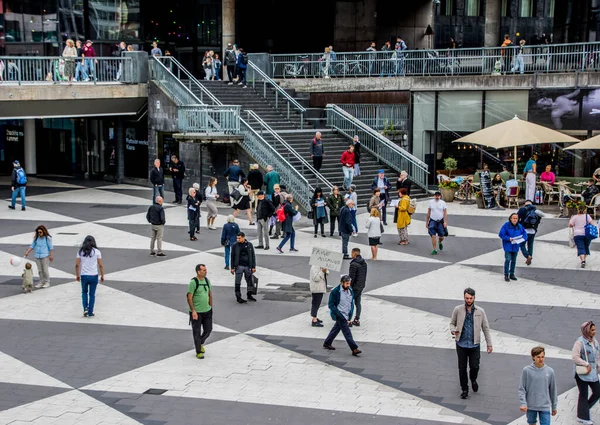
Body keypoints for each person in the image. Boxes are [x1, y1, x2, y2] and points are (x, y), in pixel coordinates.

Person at [450, 287, 493, 400]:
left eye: (470, 298)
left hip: (475, 344)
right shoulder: (458, 309)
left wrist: (489, 344)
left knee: (474, 366)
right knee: (462, 368)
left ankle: (473, 379)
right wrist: (453, 329)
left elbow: (486, 328)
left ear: (474, 298)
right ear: (464, 298)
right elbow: (452, 323)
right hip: (461, 344)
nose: (468, 300)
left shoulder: (480, 311)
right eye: (466, 298)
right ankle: (464, 389)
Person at [323, 275, 362, 356]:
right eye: (347, 283)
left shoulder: (350, 290)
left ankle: (327, 342)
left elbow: (350, 303)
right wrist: (337, 313)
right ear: (342, 283)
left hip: (347, 314)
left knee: (336, 329)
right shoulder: (335, 291)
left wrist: (350, 315)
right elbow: (331, 304)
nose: (348, 285)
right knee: (347, 332)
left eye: (349, 283)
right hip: (340, 315)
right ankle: (354, 348)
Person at [518, 346, 558, 425]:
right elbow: (522, 388)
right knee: (531, 423)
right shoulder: (526, 370)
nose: (541, 359)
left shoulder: (550, 371)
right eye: (538, 357)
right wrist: (523, 403)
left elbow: (553, 390)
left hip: (545, 406)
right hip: (531, 406)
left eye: (542, 357)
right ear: (533, 357)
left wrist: (554, 406)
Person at [572, 321, 600, 425]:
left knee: (597, 392)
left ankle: (583, 410)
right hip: (582, 373)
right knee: (583, 394)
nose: (594, 332)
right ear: (586, 330)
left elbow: (597, 356)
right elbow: (575, 357)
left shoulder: (594, 341)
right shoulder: (580, 342)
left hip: (593, 372)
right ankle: (583, 417)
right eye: (592, 330)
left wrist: (598, 368)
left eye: (594, 330)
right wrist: (586, 364)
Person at [186, 264, 213, 359]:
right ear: (198, 271)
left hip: (207, 310)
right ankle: (198, 351)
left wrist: (210, 305)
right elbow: (189, 297)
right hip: (196, 312)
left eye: (206, 270)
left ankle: (200, 343)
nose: (206, 271)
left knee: (208, 330)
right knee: (196, 332)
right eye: (204, 270)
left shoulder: (207, 281)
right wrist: (193, 310)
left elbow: (210, 293)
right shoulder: (193, 282)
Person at [75, 235, 105, 317]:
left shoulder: (80, 252)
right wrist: (102, 275)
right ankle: (90, 311)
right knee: (92, 294)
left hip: (84, 275)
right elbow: (100, 265)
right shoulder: (97, 251)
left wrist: (77, 275)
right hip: (93, 275)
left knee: (84, 292)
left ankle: (85, 308)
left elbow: (77, 265)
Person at [499, 213, 528, 281]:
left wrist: (522, 239)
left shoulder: (520, 226)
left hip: (515, 245)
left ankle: (512, 274)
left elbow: (524, 234)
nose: (515, 220)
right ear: (510, 219)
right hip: (508, 245)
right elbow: (501, 234)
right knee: (508, 259)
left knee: (514, 260)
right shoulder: (506, 225)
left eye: (516, 218)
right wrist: (508, 238)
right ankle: (506, 274)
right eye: (514, 218)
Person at [230, 232, 257, 303]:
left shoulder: (249, 245)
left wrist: (253, 266)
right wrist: (232, 267)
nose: (238, 239)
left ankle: (249, 294)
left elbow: (253, 256)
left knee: (250, 281)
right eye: (237, 238)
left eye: (239, 238)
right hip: (239, 266)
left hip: (248, 266)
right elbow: (232, 256)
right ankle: (238, 296)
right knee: (237, 282)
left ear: (243, 237)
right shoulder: (235, 246)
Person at [518, 200, 545, 266]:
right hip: (533, 231)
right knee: (530, 244)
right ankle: (530, 256)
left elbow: (517, 218)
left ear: (525, 204)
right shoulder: (536, 211)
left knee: (522, 245)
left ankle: (527, 256)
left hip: (524, 230)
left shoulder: (522, 210)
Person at [349, 247, 367, 327]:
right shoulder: (364, 263)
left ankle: (348, 319)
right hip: (361, 285)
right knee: (358, 303)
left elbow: (351, 277)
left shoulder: (353, 264)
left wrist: (348, 286)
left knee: (349, 302)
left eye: (352, 253)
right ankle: (357, 319)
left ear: (355, 254)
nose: (351, 254)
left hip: (354, 286)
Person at [426, 191, 448, 255]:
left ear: (440, 196)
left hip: (440, 221)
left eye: (438, 195)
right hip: (432, 220)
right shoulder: (430, 202)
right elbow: (428, 212)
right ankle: (434, 249)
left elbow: (445, 213)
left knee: (441, 236)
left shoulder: (443, 203)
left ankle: (440, 242)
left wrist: (445, 222)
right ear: (434, 196)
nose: (437, 197)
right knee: (433, 235)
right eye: (436, 195)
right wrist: (427, 222)